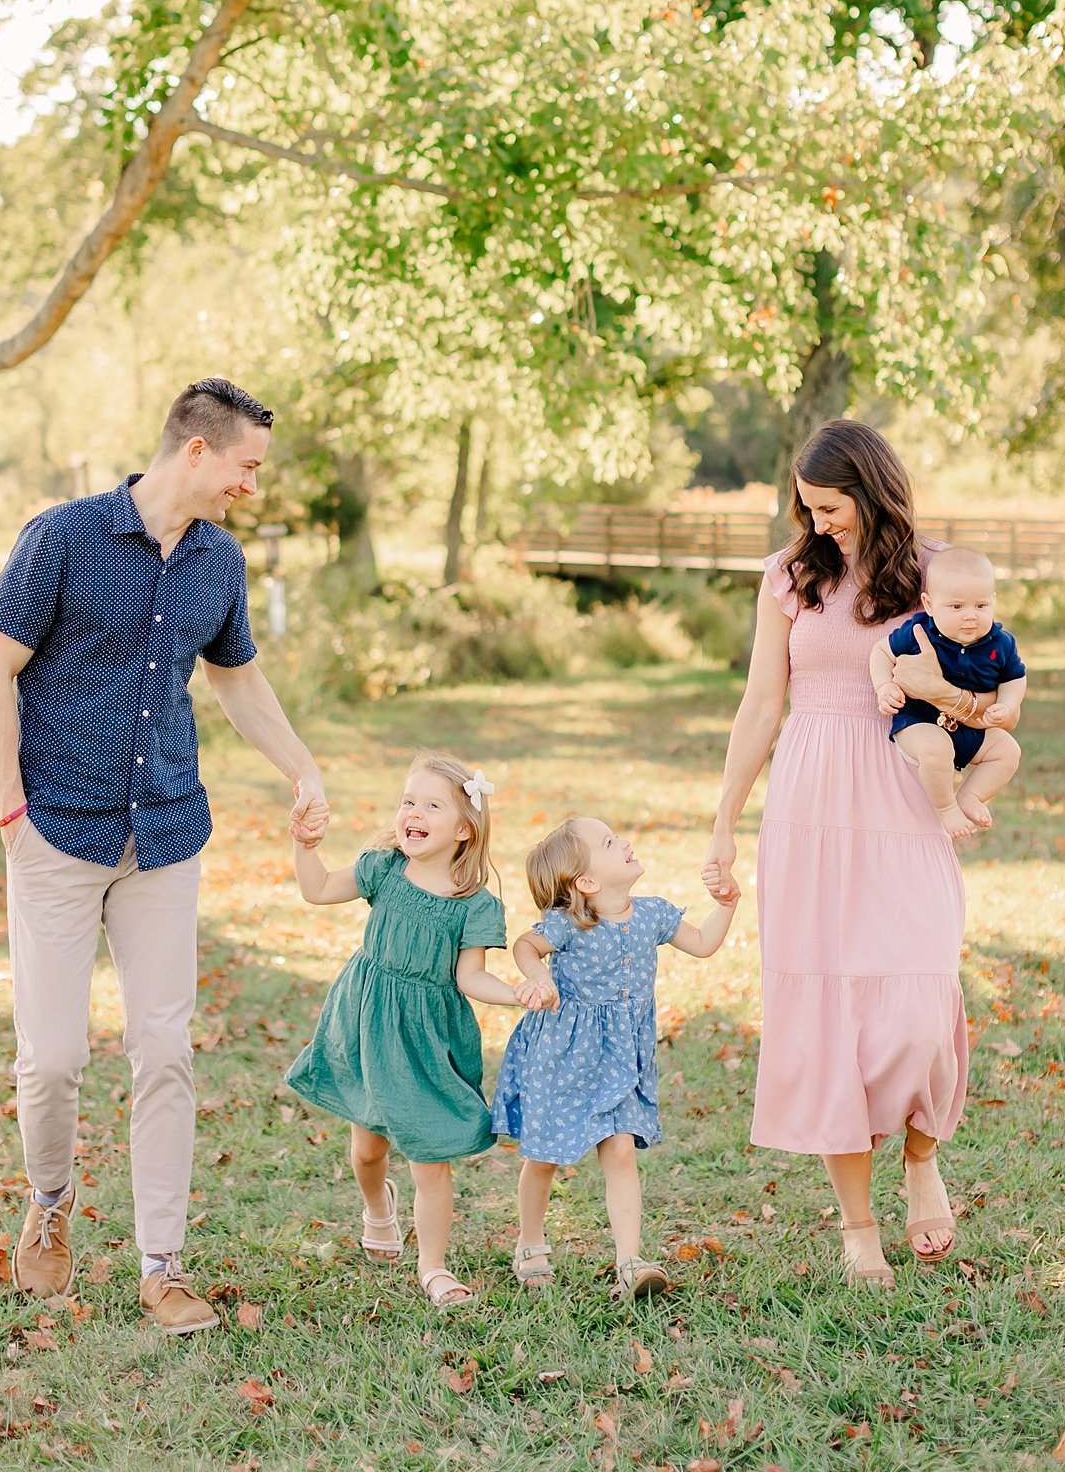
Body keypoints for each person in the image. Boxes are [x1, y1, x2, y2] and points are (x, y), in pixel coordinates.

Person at [0, 376, 329, 1335]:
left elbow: (239, 684)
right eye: (247, 466)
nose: (253, 485)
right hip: (54, 832)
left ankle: (161, 1265)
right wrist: (10, 808)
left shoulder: (221, 563)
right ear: (198, 453)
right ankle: (48, 1207)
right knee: (51, 1058)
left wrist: (303, 769)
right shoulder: (64, 537)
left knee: (164, 1050)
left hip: (165, 833)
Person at [702, 419, 986, 1290]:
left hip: (903, 791)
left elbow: (985, 694)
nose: (819, 522)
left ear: (871, 489)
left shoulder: (937, 573)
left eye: (831, 507)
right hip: (811, 801)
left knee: (920, 994)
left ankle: (920, 1157)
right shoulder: (789, 577)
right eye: (807, 508)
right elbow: (760, 706)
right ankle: (857, 1224)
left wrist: (944, 707)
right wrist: (723, 821)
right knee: (829, 1017)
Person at [285, 750, 530, 1310]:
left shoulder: (475, 905)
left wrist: (518, 994)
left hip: (424, 1041)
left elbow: (471, 977)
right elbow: (317, 889)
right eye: (407, 801)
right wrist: (305, 846)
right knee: (368, 1150)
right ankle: (378, 1208)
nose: (412, 813)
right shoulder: (384, 869)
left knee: (427, 1155)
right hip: (368, 1024)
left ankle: (434, 1267)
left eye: (431, 805)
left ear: (465, 829)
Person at [494, 815, 739, 1300]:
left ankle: (630, 1260)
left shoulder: (651, 915)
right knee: (544, 1157)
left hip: (623, 1058)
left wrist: (726, 905)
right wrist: (536, 978)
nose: (624, 842)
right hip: (563, 1054)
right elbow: (526, 945)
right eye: (609, 842)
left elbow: (705, 944)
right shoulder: (568, 924)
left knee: (622, 1149)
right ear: (585, 882)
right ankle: (530, 1240)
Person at [869, 547, 1026, 839]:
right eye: (957, 607)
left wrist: (1007, 703)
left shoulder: (1000, 642)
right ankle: (946, 808)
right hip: (920, 721)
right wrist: (884, 686)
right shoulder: (919, 631)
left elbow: (1015, 678)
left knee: (1007, 751)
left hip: (968, 726)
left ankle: (972, 796)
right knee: (937, 748)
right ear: (929, 605)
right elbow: (881, 652)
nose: (970, 616)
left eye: (981, 606)